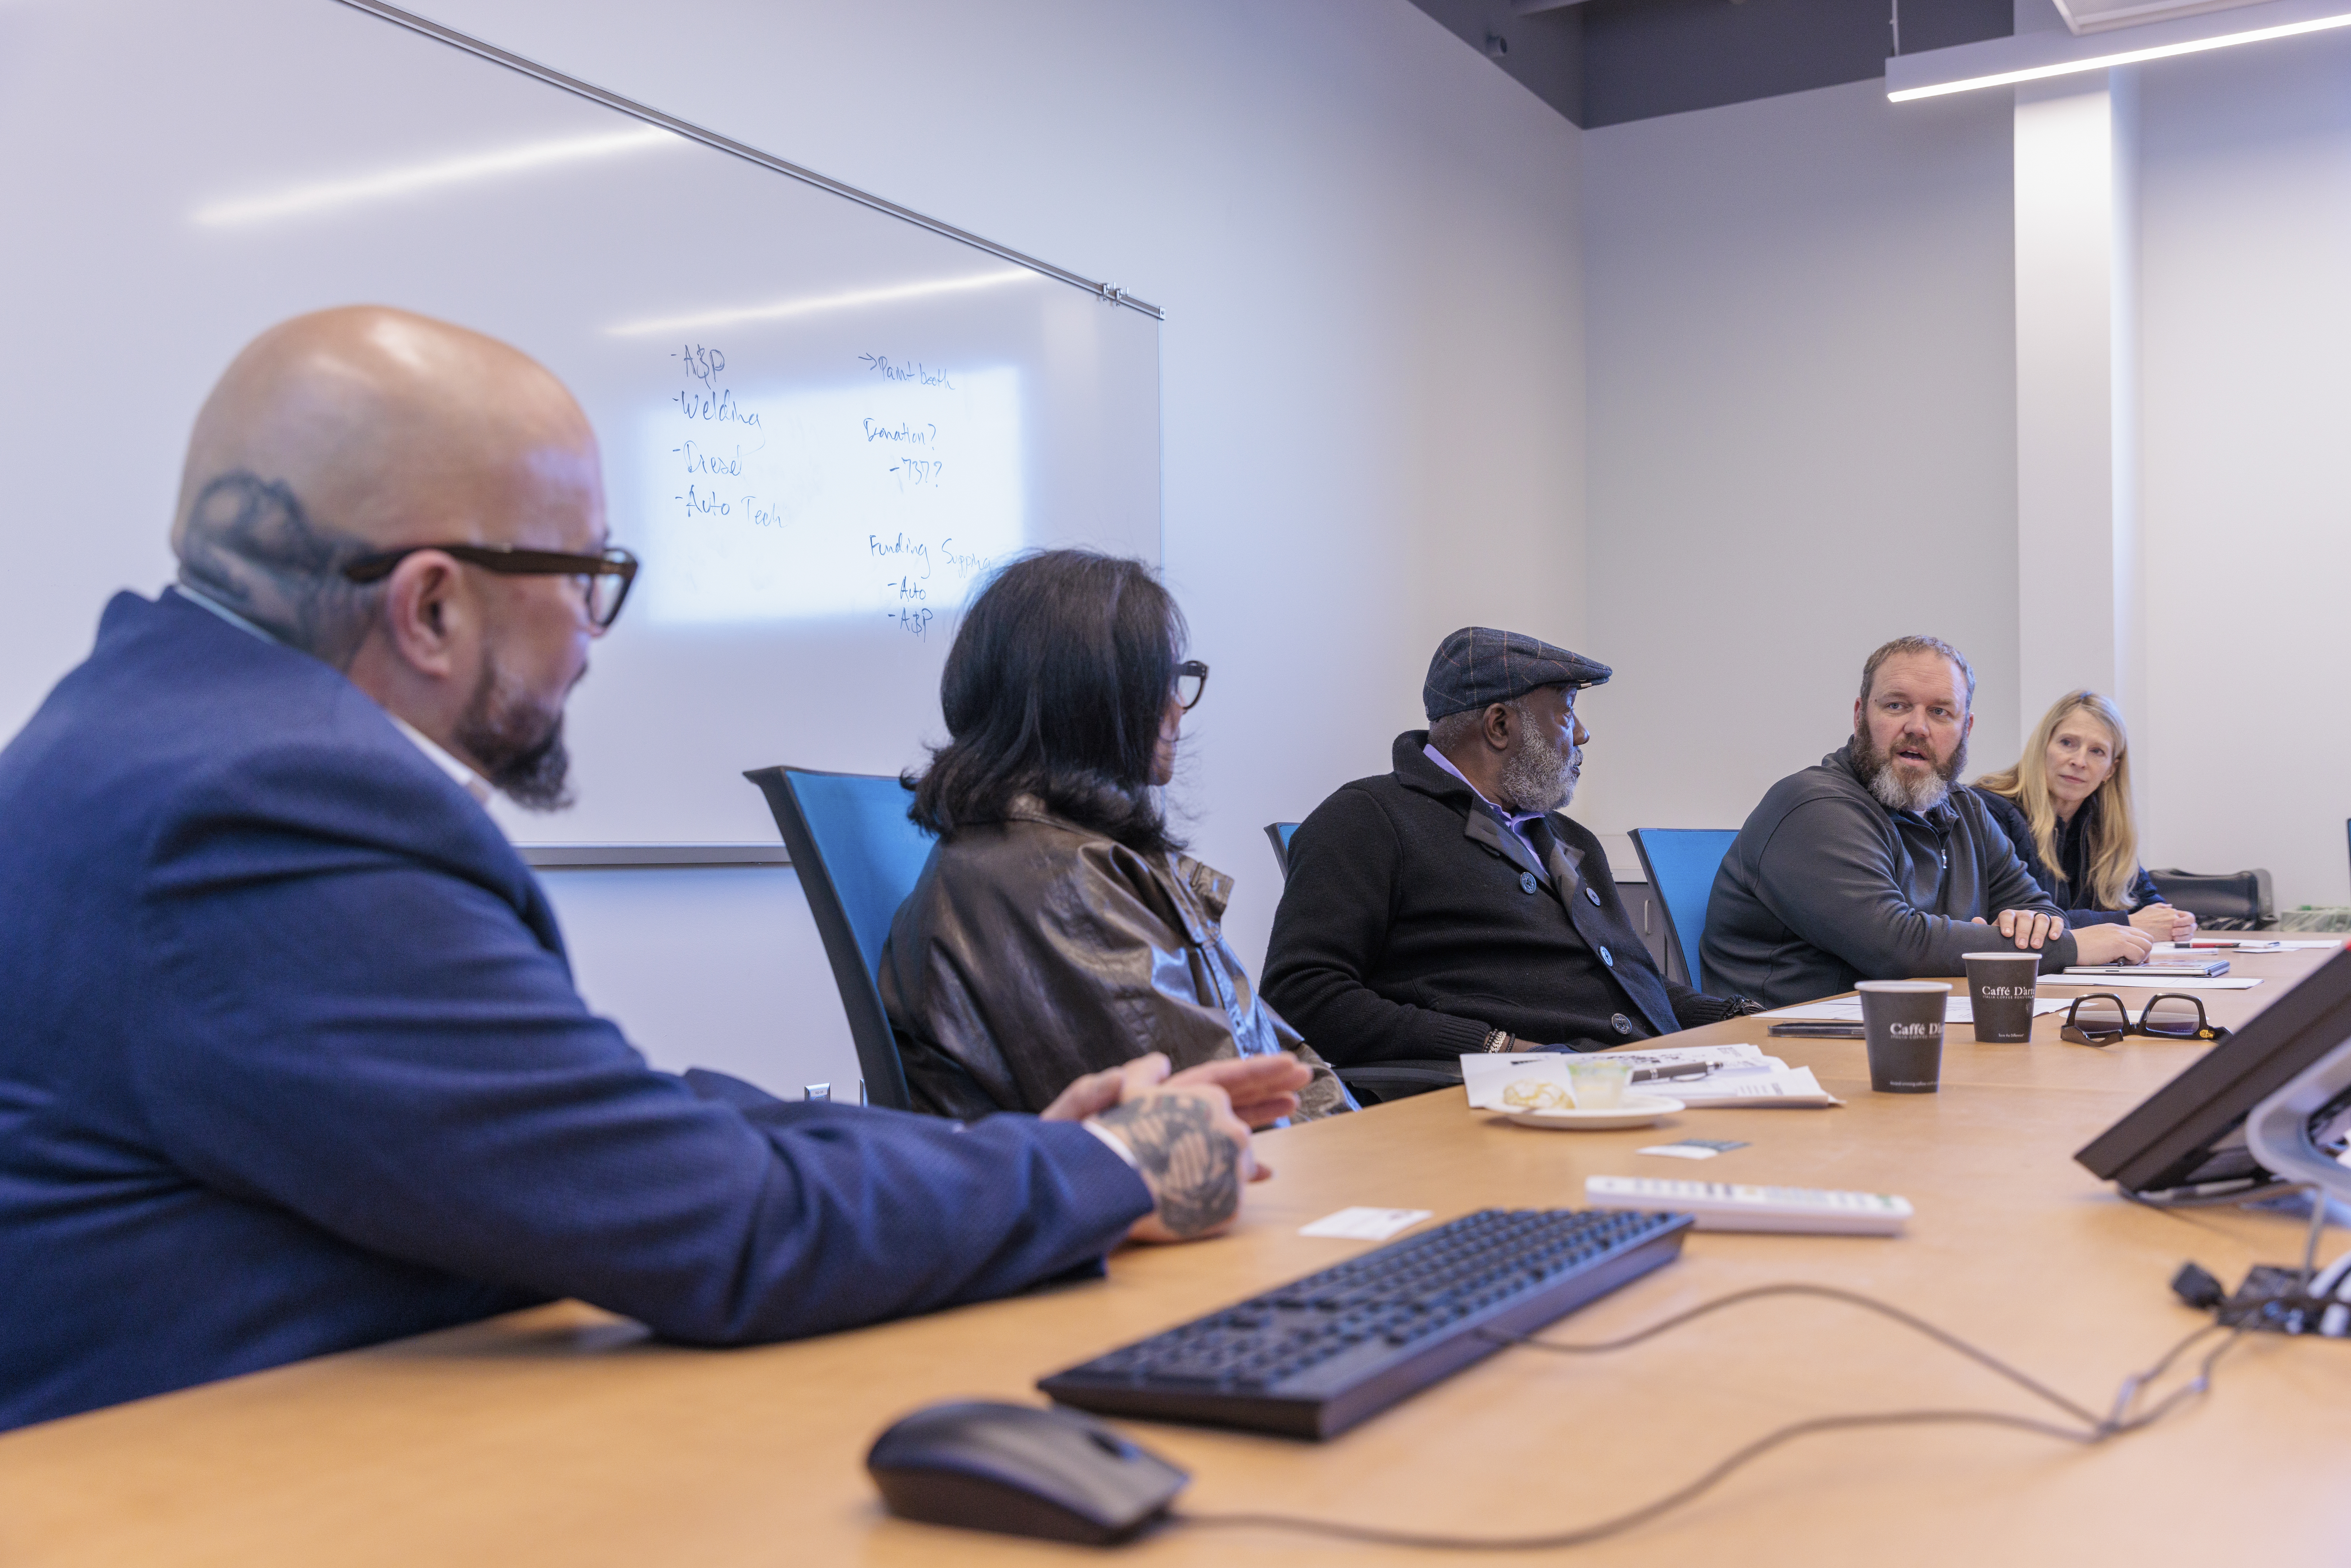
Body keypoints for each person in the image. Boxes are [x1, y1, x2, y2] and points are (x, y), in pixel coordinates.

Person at [0, 307, 1307, 1433]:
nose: (590, 640)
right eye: (587, 579)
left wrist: (1024, 1152)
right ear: (434, 604)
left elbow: (613, 1117)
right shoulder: (263, 814)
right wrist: (1109, 1172)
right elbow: (710, 1225)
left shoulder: (162, 739)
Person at [880, 550, 1352, 1122]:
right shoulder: (1058, 884)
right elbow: (1229, 1113)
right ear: (1094, 699)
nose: (1178, 708)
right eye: (1165, 681)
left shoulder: (1072, 857)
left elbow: (1271, 1054)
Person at [1259, 627, 1762, 1101]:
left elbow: (1631, 985)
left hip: (1649, 1076)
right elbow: (1301, 994)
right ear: (1499, 725)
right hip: (1536, 1099)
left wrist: (1739, 1015)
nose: (1583, 733)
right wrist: (1495, 1047)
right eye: (1566, 711)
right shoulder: (1367, 819)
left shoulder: (1567, 837)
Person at [1702, 635, 2154, 1008]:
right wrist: (2070, 946)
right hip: (1791, 1050)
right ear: (1860, 716)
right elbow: (1900, 949)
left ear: (1965, 728)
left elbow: (2040, 911)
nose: (1917, 727)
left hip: (1911, 1034)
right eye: (1896, 706)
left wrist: (2019, 934)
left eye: (1940, 712)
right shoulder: (1813, 807)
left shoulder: (1965, 809)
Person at [1972, 691, 2194, 941]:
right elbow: (2015, 920)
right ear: (2043, 746)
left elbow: (2152, 911)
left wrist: (2178, 924)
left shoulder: (2102, 826)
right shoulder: (1989, 810)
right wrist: (2125, 923)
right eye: (2068, 742)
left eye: (2097, 751)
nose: (2079, 761)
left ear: (2111, 769)